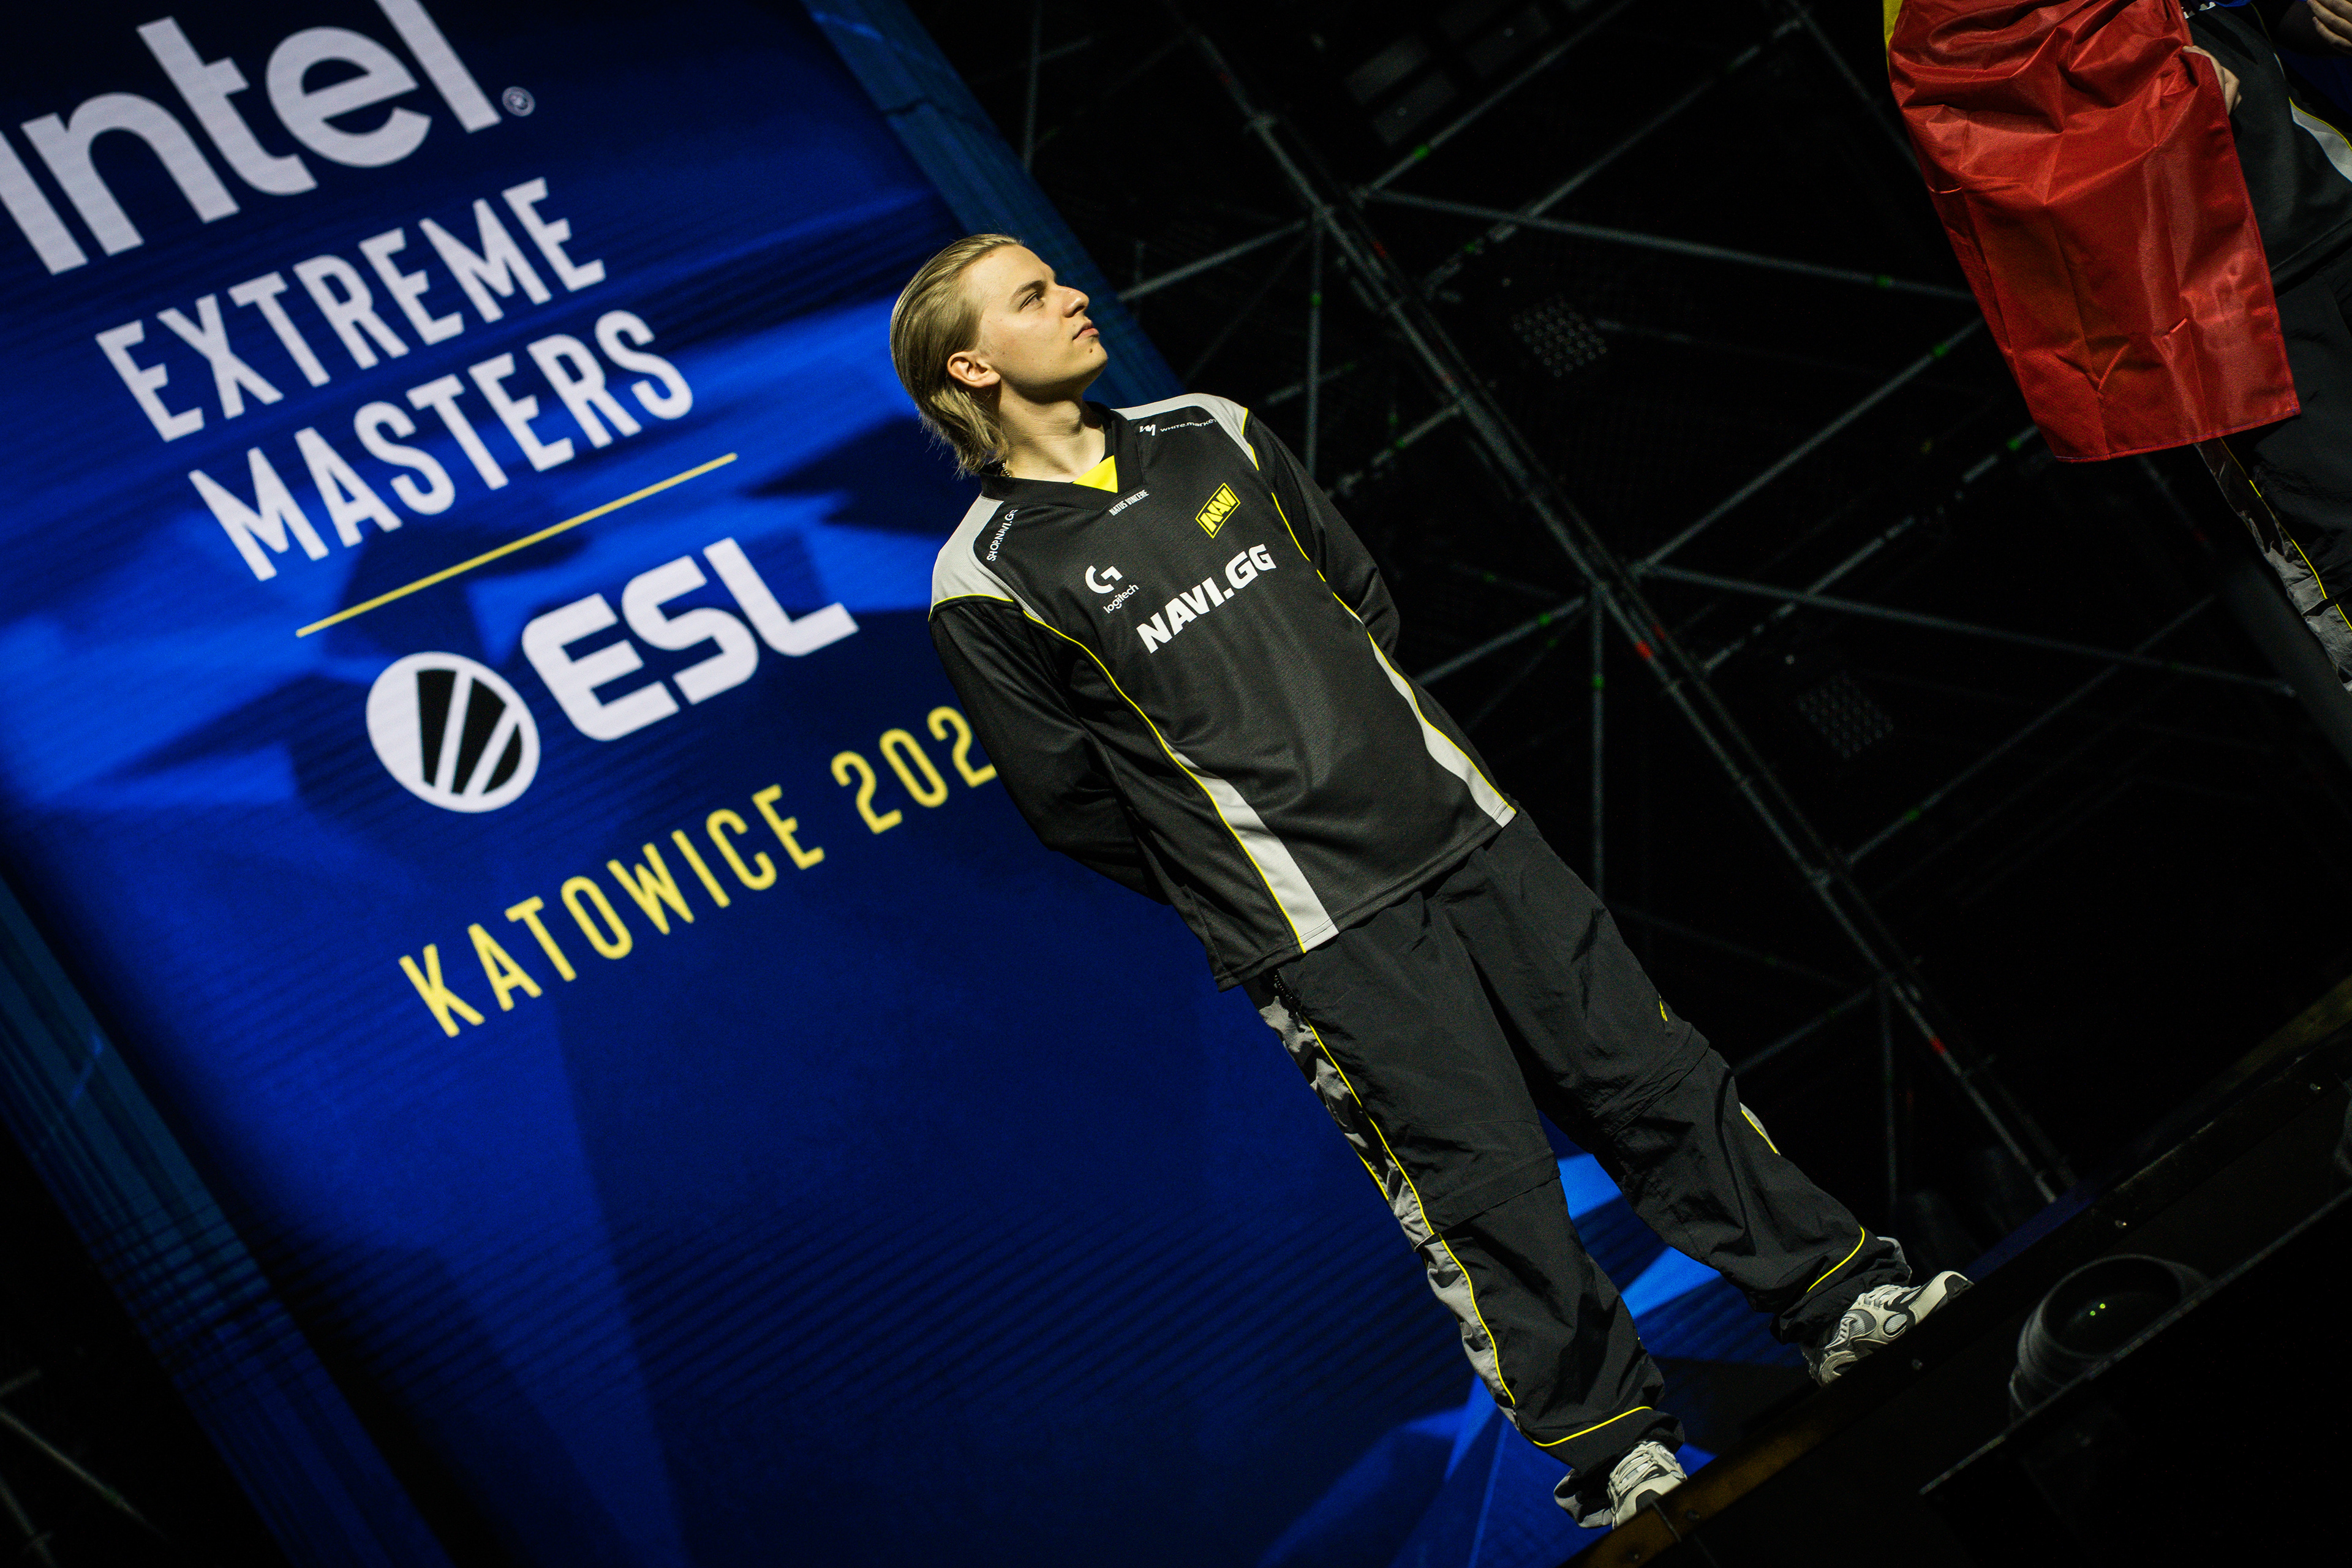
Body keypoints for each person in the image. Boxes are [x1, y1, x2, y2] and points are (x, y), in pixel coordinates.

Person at [891, 233, 1968, 1529]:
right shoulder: (987, 576)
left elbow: (1362, 603)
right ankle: (1619, 1455)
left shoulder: (1212, 429)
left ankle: (1844, 1300)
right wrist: (1250, 864)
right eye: (1032, 297)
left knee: (1653, 1078)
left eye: (1055, 280)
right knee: (1483, 1189)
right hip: (1319, 925)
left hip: (1469, 832)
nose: (1072, 296)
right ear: (972, 366)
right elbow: (1071, 805)